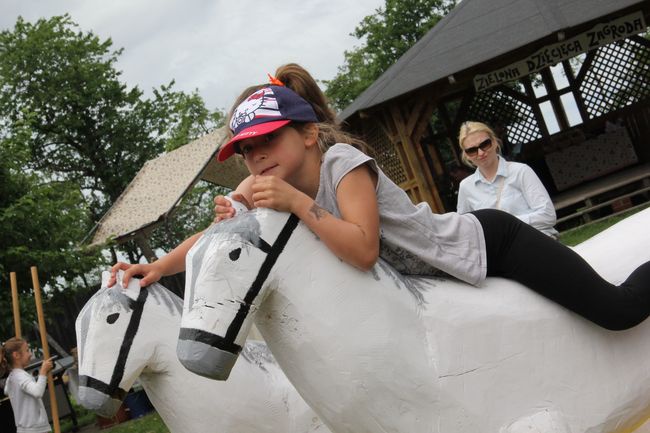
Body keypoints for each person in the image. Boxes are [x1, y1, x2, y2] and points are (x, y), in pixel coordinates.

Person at [110, 63, 650, 331]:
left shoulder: (343, 162)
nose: (255, 158)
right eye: (245, 150)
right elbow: (216, 233)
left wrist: (298, 205)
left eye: (267, 139)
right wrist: (157, 267)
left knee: (616, 311)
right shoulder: (263, 185)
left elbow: (364, 248)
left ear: (306, 133)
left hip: (489, 243)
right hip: (435, 289)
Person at [456, 121, 558, 237]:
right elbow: (465, 229)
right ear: (466, 155)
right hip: (501, 252)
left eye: (485, 144)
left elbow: (548, 215)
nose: (480, 153)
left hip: (535, 241)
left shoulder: (521, 171)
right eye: (472, 150)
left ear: (494, 142)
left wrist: (507, 224)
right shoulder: (466, 187)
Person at [1, 337, 54, 433]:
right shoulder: (20, 376)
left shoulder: (12, 377)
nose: (30, 354)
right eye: (27, 351)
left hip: (24, 428)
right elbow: (37, 392)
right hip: (33, 428)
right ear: (16, 355)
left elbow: (6, 391)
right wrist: (43, 372)